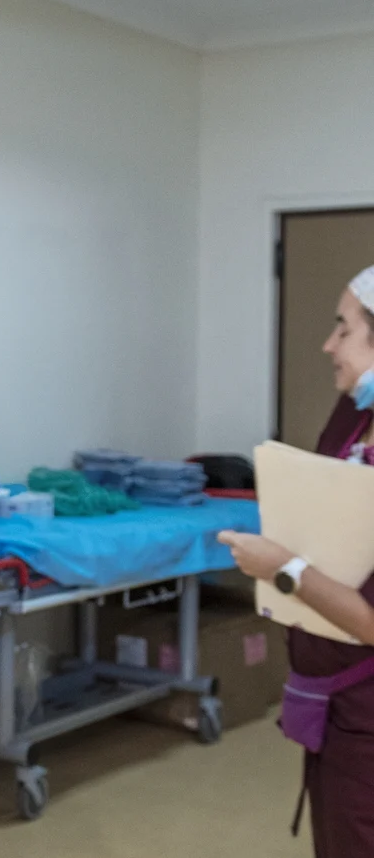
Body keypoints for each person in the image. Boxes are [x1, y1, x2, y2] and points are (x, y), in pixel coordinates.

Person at [220, 265, 374, 856]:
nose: (328, 345)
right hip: (340, 710)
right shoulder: (354, 413)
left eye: (344, 329)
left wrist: (283, 568)